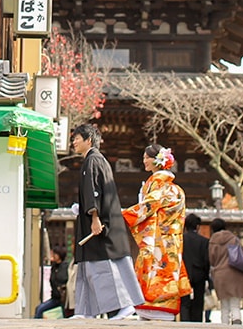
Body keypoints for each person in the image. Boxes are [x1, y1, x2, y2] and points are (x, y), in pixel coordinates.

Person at [70, 123, 143, 320]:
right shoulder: (95, 161)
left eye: (77, 138)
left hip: (100, 224)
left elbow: (94, 191)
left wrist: (94, 216)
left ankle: (123, 304)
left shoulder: (93, 161)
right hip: (98, 221)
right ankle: (85, 310)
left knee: (103, 269)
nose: (73, 141)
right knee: (90, 268)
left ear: (89, 141)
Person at [121, 144, 190, 320]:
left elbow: (147, 207)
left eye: (147, 157)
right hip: (172, 241)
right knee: (168, 274)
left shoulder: (158, 184)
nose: (144, 160)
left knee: (156, 272)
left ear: (157, 161)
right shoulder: (176, 189)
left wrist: (119, 215)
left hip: (158, 240)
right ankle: (163, 309)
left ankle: (153, 307)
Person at [207, 217, 243, 325]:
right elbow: (242, 255)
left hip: (220, 275)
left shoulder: (212, 242)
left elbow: (211, 260)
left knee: (224, 305)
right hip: (235, 273)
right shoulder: (234, 239)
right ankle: (237, 322)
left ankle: (224, 325)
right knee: (235, 304)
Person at [180, 213, 210, 323]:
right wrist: (207, 275)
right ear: (197, 226)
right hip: (199, 273)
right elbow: (206, 260)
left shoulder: (180, 240)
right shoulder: (204, 241)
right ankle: (196, 323)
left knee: (184, 302)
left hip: (183, 273)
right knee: (198, 301)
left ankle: (185, 322)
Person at [35, 245, 69, 318]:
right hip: (55, 297)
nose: (52, 255)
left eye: (54, 254)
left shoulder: (65, 267)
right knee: (39, 309)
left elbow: (62, 279)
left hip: (64, 298)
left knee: (66, 315)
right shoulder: (54, 267)